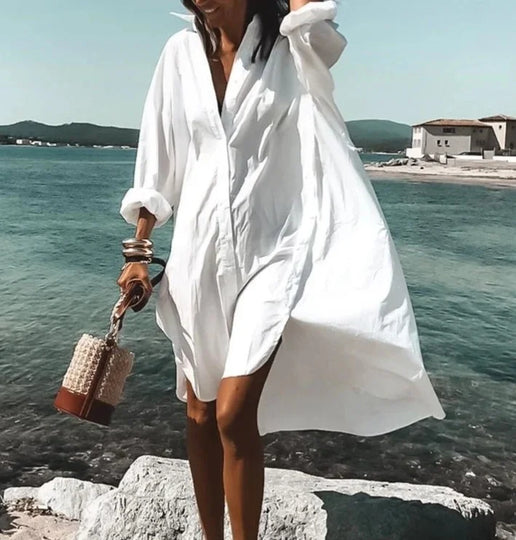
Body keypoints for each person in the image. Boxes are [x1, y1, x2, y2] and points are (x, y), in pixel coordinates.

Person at [116, 1, 447, 538]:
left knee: (233, 413)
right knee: (200, 413)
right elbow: (158, 163)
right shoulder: (179, 53)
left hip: (274, 254)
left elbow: (323, 30)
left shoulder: (292, 47)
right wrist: (138, 253)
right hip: (198, 258)